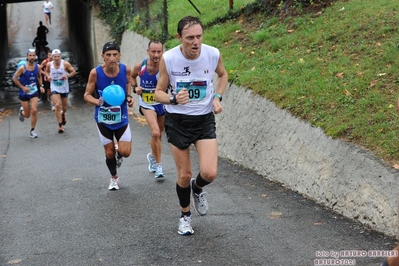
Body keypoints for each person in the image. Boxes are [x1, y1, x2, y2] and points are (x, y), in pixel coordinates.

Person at [154, 16, 228, 235]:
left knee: (210, 172)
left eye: (199, 36)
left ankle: (198, 188)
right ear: (179, 38)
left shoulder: (212, 53)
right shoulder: (169, 58)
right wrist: (174, 99)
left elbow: (223, 75)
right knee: (184, 174)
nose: (196, 42)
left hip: (204, 119)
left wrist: (217, 97)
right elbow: (158, 92)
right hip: (178, 121)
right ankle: (185, 216)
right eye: (190, 38)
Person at [83, 41, 134, 190]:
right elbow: (86, 95)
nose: (112, 58)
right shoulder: (95, 73)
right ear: (103, 57)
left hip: (121, 117)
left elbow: (128, 84)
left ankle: (119, 154)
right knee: (109, 152)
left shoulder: (125, 69)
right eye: (108, 55)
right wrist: (97, 102)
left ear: (119, 55)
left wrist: (129, 97)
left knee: (126, 152)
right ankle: (114, 178)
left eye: (114, 54)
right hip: (103, 118)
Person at [131, 40, 165, 179]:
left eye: (159, 51)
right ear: (148, 51)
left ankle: (152, 156)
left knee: (159, 135)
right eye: (153, 51)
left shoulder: (166, 66)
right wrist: (135, 88)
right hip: (147, 103)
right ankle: (159, 165)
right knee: (155, 133)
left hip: (162, 103)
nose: (156, 55)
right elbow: (132, 77)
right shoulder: (141, 66)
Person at [12, 49, 44, 138]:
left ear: (35, 56)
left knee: (34, 110)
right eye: (30, 55)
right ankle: (22, 112)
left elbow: (39, 76)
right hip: (24, 93)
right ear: (27, 57)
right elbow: (14, 78)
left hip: (34, 92)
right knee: (27, 115)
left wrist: (41, 86)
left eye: (33, 55)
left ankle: (32, 131)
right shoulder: (22, 68)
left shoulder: (38, 67)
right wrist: (22, 87)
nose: (32, 57)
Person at [44, 49, 76, 133]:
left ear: (60, 56)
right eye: (55, 57)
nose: (57, 58)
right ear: (52, 57)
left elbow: (73, 71)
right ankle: (60, 125)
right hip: (54, 87)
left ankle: (63, 114)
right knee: (57, 105)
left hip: (64, 87)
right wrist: (48, 76)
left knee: (64, 107)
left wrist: (67, 75)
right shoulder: (49, 65)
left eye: (58, 56)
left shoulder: (65, 64)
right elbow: (46, 72)